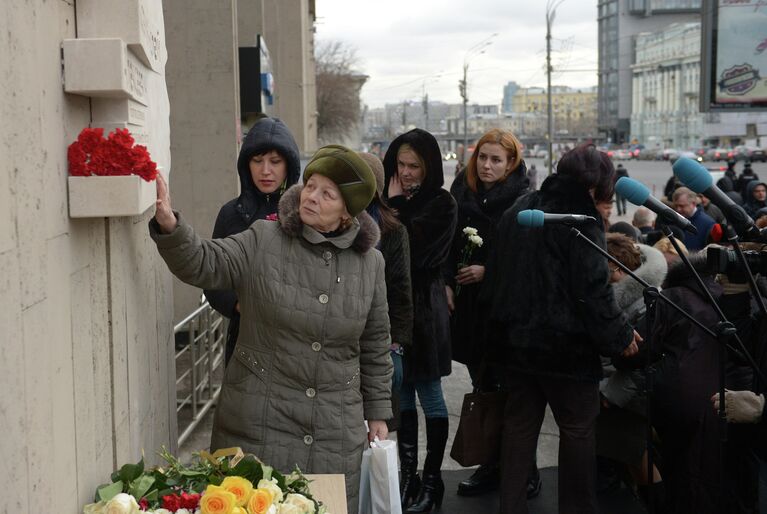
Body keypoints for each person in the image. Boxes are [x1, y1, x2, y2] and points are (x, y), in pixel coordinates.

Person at [150, 145, 392, 513]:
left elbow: (375, 344)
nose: (311, 197)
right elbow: (205, 262)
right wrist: (170, 225)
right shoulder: (264, 238)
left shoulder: (370, 264)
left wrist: (377, 413)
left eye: (328, 194)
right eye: (311, 185)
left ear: (347, 212)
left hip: (334, 427)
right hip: (259, 420)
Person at [481, 144, 640, 513]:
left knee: (519, 429)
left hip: (515, 346)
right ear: (596, 184)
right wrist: (620, 338)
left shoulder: (521, 207)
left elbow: (496, 278)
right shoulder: (580, 218)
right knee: (578, 430)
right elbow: (593, 291)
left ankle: (512, 506)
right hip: (566, 352)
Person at [442, 129, 536, 498]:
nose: (487, 166)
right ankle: (491, 464)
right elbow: (446, 244)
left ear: (511, 163)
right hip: (468, 309)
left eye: (496, 159)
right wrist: (448, 282)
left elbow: (528, 259)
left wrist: (488, 271)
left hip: (504, 310)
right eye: (482, 157)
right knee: (483, 388)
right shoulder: (460, 192)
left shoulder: (523, 199)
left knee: (511, 394)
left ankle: (522, 469)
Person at [383, 128, 458, 513]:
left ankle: (432, 481)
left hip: (426, 314)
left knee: (430, 394)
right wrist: (392, 206)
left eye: (414, 166)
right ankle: (407, 477)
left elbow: (417, 253)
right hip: (396, 312)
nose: (407, 172)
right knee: (403, 397)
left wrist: (396, 208)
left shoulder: (442, 203)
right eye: (401, 164)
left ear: (429, 167)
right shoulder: (387, 200)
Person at [203, 117, 301, 366]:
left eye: (275, 162)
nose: (265, 170)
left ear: (289, 165)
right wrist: (237, 305)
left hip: (297, 341)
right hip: (245, 340)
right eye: (257, 161)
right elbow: (212, 276)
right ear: (246, 165)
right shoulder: (231, 213)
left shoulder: (305, 212)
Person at [597, 233, 668, 512]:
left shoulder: (647, 302)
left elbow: (647, 359)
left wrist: (612, 393)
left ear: (618, 268)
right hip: (615, 393)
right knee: (631, 461)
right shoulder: (631, 295)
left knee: (639, 461)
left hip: (625, 397)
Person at [359, 152, 413, 433]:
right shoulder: (332, 223)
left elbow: (401, 291)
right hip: (342, 343)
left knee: (378, 430)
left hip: (381, 341)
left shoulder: (393, 230)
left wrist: (396, 346)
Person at [672, 187, 715, 252]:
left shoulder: (708, 224)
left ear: (694, 203)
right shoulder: (673, 219)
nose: (678, 209)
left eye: (682, 206)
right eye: (676, 206)